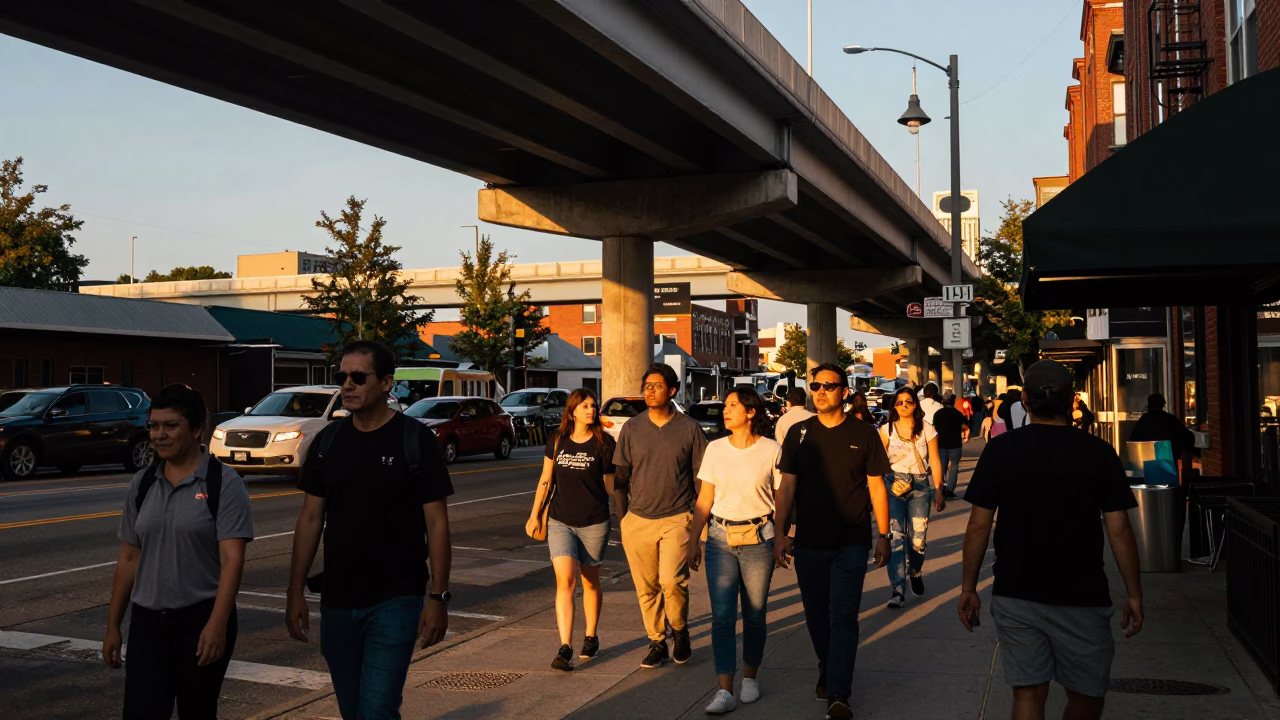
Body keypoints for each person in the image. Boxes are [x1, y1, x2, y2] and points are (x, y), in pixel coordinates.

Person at [958, 360, 1144, 720]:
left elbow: (978, 525)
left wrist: (969, 587)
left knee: (1027, 697)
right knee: (1086, 697)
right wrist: (1134, 593)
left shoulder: (1000, 450)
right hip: (1083, 595)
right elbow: (1119, 529)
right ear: (1072, 401)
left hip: (1017, 592)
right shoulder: (1098, 452)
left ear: (1024, 400)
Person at [287, 340, 454, 720]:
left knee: (377, 710)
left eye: (358, 377)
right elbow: (311, 518)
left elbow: (437, 522)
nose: (347, 385)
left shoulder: (415, 439)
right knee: (354, 711)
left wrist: (438, 597)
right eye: (341, 377)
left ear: (386, 383)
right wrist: (294, 590)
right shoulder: (327, 442)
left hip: (396, 599)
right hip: (338, 601)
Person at [104, 383, 253, 719]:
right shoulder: (143, 482)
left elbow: (233, 559)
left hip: (200, 617)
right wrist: (113, 625)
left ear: (198, 429)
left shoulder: (224, 484)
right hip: (148, 622)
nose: (159, 435)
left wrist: (217, 623)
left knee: (197, 711)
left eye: (170, 426)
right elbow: (130, 556)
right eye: (153, 426)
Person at [774, 363, 891, 720]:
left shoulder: (864, 433)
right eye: (816, 385)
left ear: (844, 391)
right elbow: (787, 486)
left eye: (829, 385)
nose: (821, 390)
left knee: (843, 616)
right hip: (808, 541)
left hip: (851, 541)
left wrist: (883, 535)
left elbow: (876, 486)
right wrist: (780, 533)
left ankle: (839, 693)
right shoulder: (798, 433)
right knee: (816, 616)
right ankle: (827, 665)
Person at [687, 388, 781, 714]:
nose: (725, 411)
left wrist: (783, 537)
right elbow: (704, 499)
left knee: (754, 615)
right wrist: (692, 541)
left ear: (750, 412)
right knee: (723, 617)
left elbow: (783, 498)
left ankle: (751, 677)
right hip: (719, 538)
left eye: (732, 406)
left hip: (760, 538)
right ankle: (724, 690)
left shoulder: (771, 450)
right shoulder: (714, 449)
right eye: (725, 406)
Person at [612, 363, 709, 669]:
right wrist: (623, 518)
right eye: (647, 386)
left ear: (672, 390)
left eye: (656, 386)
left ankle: (679, 631)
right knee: (647, 587)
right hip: (637, 520)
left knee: (672, 581)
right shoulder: (632, 428)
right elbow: (621, 477)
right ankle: (657, 640)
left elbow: (701, 479)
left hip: (677, 517)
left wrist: (699, 525)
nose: (650, 391)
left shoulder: (689, 429)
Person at [525, 389, 616, 672]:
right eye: (585, 405)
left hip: (594, 521)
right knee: (565, 581)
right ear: (573, 410)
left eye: (593, 406)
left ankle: (591, 636)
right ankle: (565, 647)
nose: (591, 410)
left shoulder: (604, 442)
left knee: (590, 581)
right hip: (560, 520)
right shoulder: (557, 440)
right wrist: (534, 515)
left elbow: (612, 486)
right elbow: (545, 479)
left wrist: (625, 512)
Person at [878, 386, 946, 608]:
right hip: (893, 485)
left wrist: (939, 488)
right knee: (895, 536)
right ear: (894, 406)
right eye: (900, 402)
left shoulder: (927, 428)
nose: (904, 405)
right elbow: (878, 464)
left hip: (919, 485)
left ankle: (915, 571)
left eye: (909, 401)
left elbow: (935, 460)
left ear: (916, 405)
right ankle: (897, 588)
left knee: (918, 539)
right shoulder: (886, 430)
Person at [1129, 393, 1196, 460]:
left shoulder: (1143, 421)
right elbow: (1187, 437)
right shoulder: (1170, 419)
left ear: (1149, 406)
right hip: (1168, 462)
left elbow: (1133, 441)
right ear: (1162, 405)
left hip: (1147, 462)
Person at [933, 394, 970, 500]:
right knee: (954, 467)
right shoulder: (958, 414)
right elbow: (965, 426)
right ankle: (949, 490)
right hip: (955, 444)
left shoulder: (937, 414)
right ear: (953, 402)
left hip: (941, 445)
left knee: (942, 467)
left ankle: (940, 488)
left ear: (942, 402)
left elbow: (934, 428)